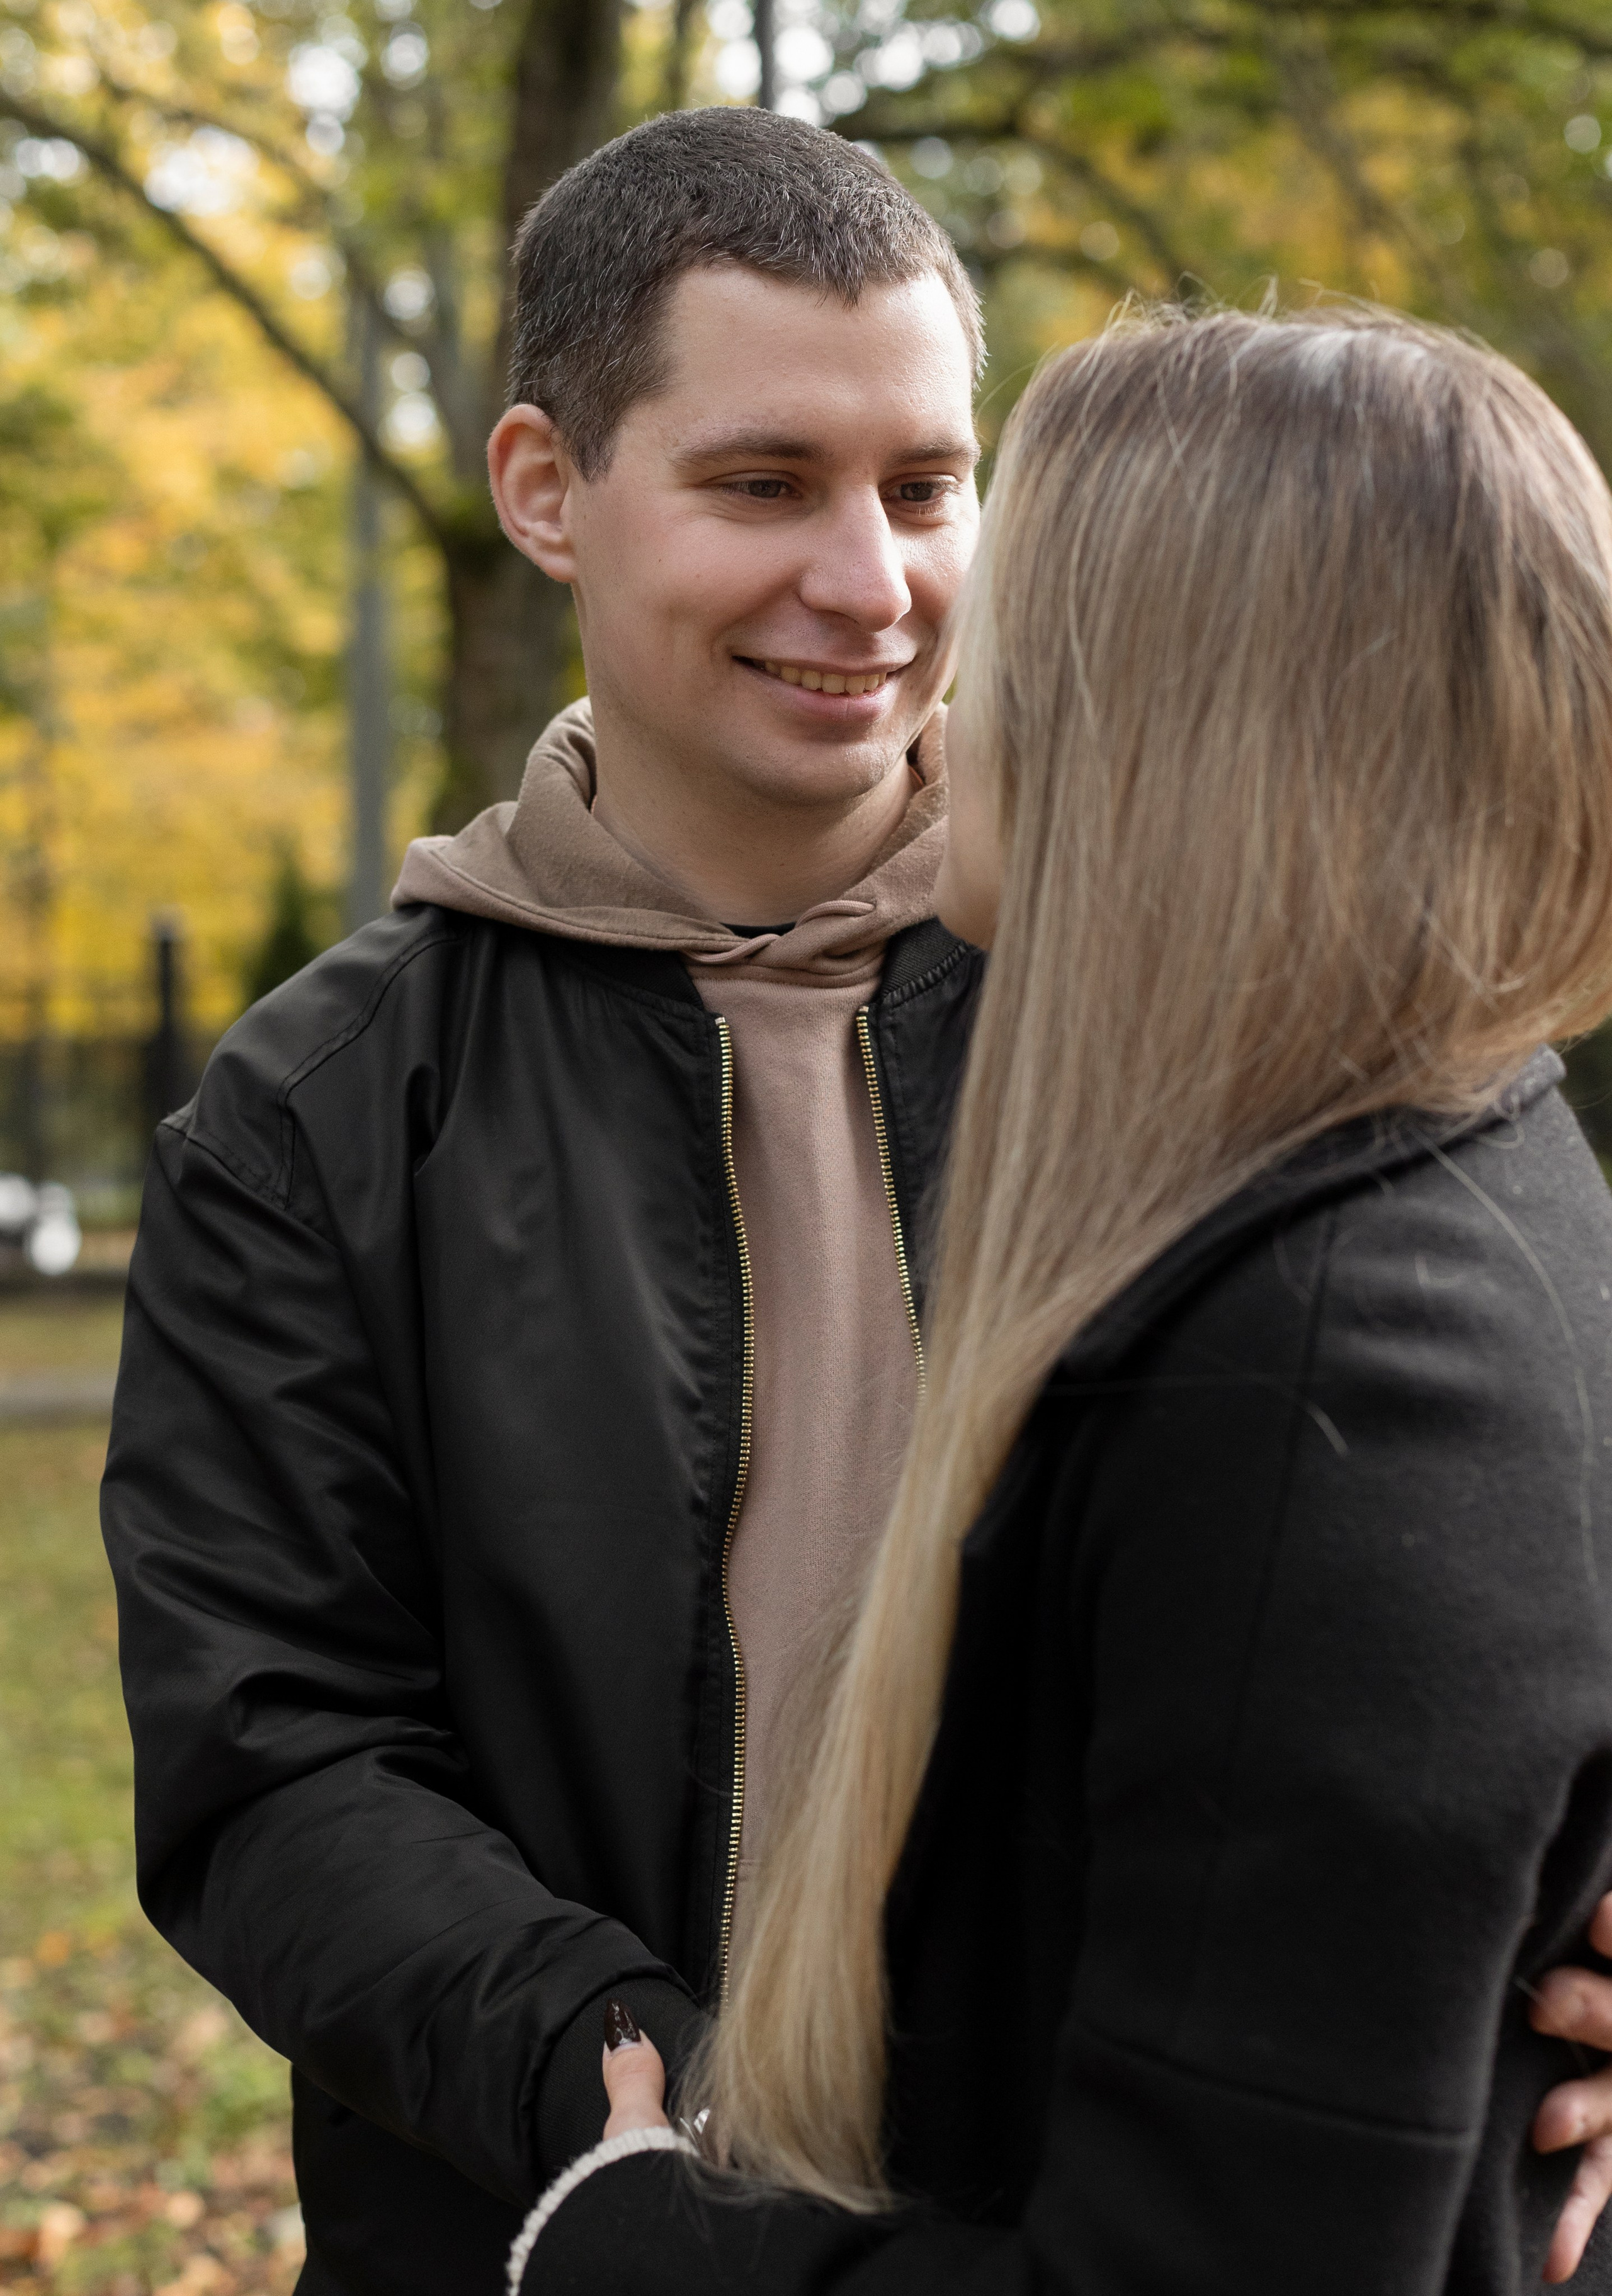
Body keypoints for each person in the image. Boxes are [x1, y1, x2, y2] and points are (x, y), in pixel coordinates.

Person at [96, 112, 1612, 2296]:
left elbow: (1462, 1543)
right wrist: (655, 2125)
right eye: (762, 485)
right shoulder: (324, 1114)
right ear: (545, 489)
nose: (874, 582)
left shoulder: (1204, 1019)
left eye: (924, 485)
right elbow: (276, 1756)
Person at [521, 304, 1612, 2295]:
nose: (935, 648)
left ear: (1183, 722)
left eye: (990, 577)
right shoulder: (1435, 1176)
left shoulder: (1340, 1374)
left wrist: (630, 2241)